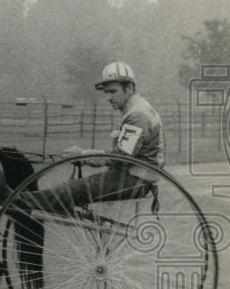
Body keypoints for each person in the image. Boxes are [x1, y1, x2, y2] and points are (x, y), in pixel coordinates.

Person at [17, 61, 165, 214]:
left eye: (113, 91)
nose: (108, 97)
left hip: (134, 180)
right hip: (134, 176)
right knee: (76, 187)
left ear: (129, 88)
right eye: (106, 92)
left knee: (74, 188)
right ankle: (28, 201)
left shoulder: (137, 115)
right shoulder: (136, 109)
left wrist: (83, 156)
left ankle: (20, 201)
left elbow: (121, 156)